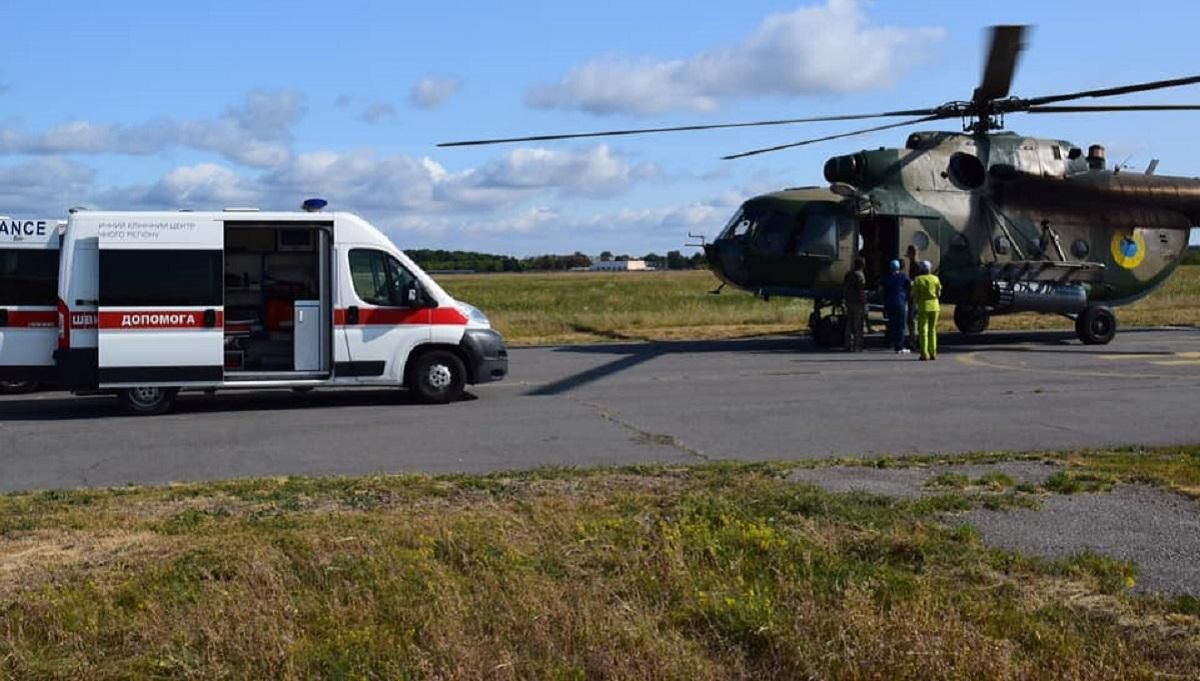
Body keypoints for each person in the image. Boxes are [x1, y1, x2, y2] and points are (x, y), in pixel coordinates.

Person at [912, 260, 942, 360]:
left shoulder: (918, 279)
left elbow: (915, 295)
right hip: (935, 305)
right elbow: (939, 293)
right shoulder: (935, 279)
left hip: (923, 306)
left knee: (923, 330)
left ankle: (924, 353)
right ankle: (933, 352)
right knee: (932, 330)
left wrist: (915, 304)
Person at [880, 259, 911, 353]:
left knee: (891, 323)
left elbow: (880, 289)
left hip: (889, 303)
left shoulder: (886, 277)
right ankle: (899, 346)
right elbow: (911, 285)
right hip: (900, 302)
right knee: (900, 325)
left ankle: (889, 343)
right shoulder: (903, 276)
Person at [842, 257, 867, 352]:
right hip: (857, 303)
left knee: (849, 324)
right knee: (858, 325)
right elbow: (861, 290)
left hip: (849, 301)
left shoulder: (848, 274)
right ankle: (857, 346)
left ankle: (847, 345)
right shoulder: (860, 275)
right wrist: (864, 300)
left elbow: (844, 287)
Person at [904, 245, 920, 347]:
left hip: (914, 295)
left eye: (909, 253)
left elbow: (916, 280)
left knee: (912, 318)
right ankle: (913, 339)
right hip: (913, 294)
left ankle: (914, 340)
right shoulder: (913, 264)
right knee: (911, 318)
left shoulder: (916, 264)